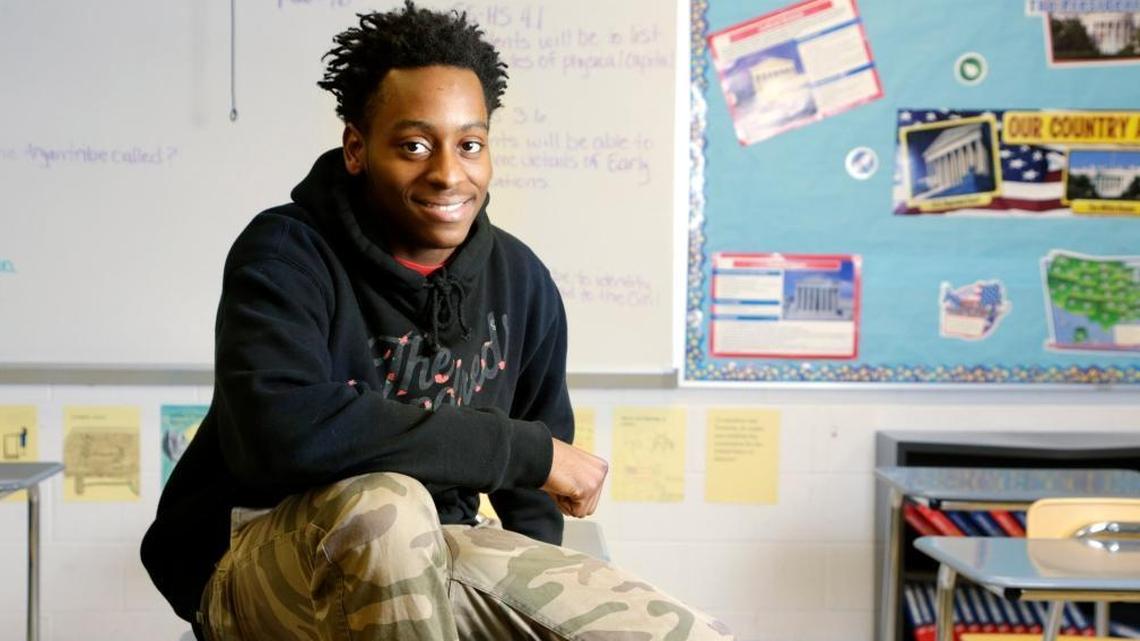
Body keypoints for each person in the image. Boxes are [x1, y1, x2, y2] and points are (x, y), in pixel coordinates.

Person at [141, 3, 733, 639]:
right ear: (356, 148)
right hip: (259, 555)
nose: (449, 173)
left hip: (443, 547)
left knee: (676, 632)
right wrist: (523, 452)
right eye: (414, 145)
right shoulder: (286, 254)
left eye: (470, 144)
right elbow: (283, 433)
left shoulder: (520, 278)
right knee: (385, 505)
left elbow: (532, 498)